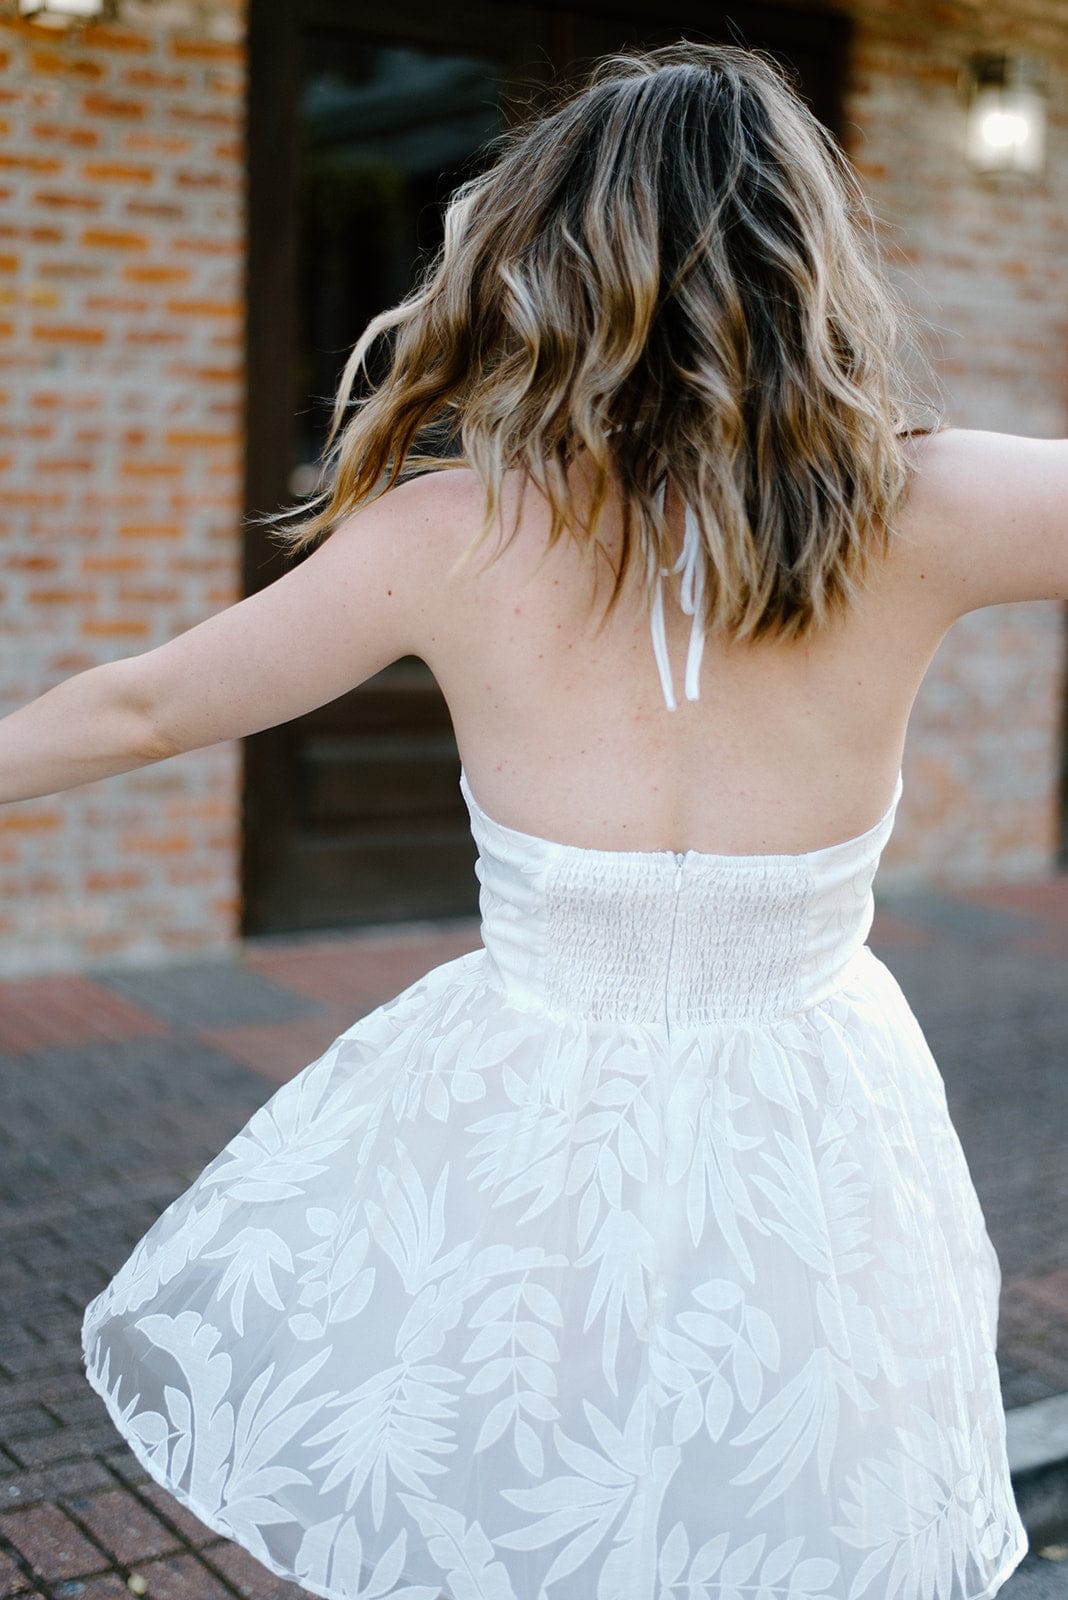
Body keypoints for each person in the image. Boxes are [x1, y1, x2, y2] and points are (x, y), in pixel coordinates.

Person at [4, 35, 1061, 1600]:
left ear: (537, 261)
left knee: (533, 1478)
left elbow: (139, 708)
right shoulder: (932, 503)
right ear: (812, 263)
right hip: (817, 1107)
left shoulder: (455, 531)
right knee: (780, 1489)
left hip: (531, 1100)